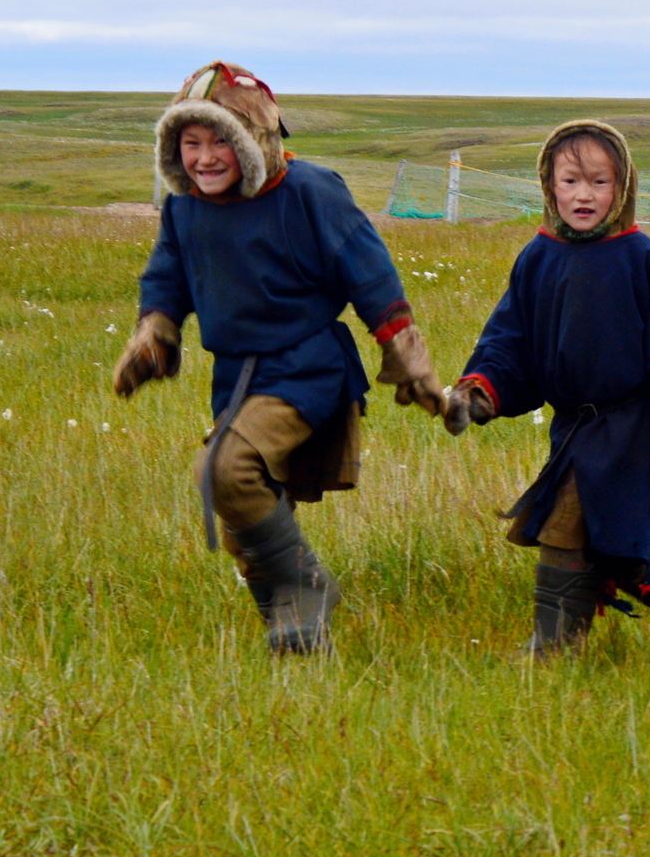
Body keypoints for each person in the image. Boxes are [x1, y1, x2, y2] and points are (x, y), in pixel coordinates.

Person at [113, 61, 445, 652]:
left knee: (222, 470)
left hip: (306, 365)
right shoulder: (185, 208)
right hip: (235, 374)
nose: (206, 158)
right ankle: (294, 629)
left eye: (221, 139)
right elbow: (167, 277)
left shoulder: (311, 192)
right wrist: (154, 335)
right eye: (191, 143)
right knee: (243, 512)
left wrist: (409, 360)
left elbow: (369, 275)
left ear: (254, 139)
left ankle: (305, 587)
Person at [444, 119, 650, 655]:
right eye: (570, 181)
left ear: (623, 186)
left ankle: (553, 650)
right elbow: (510, 342)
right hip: (576, 431)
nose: (584, 195)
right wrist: (479, 392)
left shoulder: (644, 260)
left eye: (599, 182)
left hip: (630, 432)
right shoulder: (537, 258)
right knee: (624, 549)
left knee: (572, 530)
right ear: (548, 184)